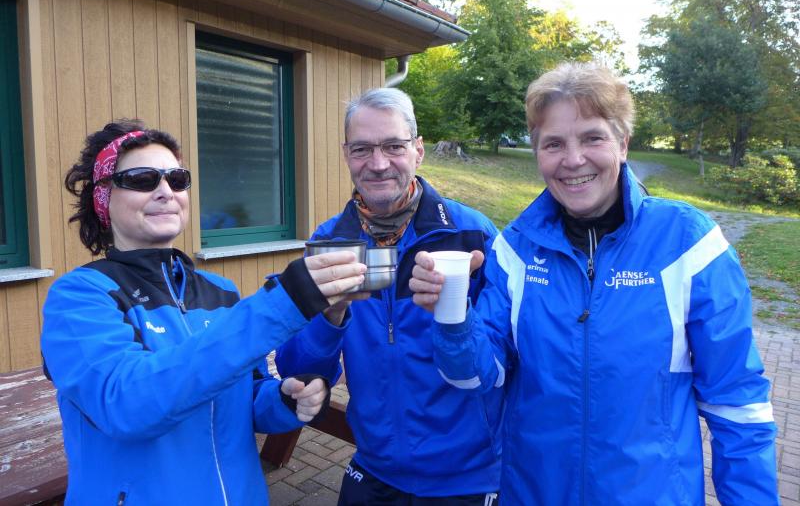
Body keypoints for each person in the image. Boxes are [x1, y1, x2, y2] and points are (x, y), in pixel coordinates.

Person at [410, 62, 779, 505]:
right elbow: (474, 377)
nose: (573, 160)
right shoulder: (516, 249)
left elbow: (737, 404)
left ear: (622, 143)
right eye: (554, 144)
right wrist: (452, 315)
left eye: (592, 138)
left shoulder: (688, 244)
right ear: (537, 153)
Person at [41, 120, 367, 505]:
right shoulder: (78, 296)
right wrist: (283, 302)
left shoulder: (220, 290)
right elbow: (125, 405)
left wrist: (283, 399)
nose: (165, 191)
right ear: (104, 199)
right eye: (143, 179)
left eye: (177, 179)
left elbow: (245, 398)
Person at [275, 88, 501, 505]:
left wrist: (455, 313)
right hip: (374, 467)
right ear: (346, 154)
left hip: (467, 478)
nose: (378, 164)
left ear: (418, 150)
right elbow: (298, 370)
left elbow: (500, 365)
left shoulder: (472, 235)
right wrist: (330, 318)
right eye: (362, 149)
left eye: (394, 146)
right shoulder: (330, 242)